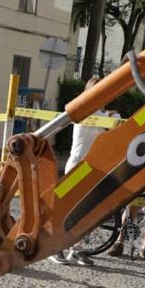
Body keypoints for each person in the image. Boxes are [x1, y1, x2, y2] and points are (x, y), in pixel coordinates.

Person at [50, 75, 121, 266]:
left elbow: (112, 128)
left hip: (92, 168)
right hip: (78, 167)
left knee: (87, 211)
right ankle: (56, 248)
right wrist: (112, 116)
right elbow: (110, 121)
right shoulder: (83, 110)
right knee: (67, 209)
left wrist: (112, 116)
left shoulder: (101, 113)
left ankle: (76, 249)